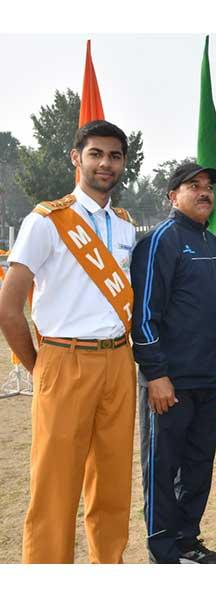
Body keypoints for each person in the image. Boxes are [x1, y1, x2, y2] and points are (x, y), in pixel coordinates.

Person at [0, 120, 136, 563]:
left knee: (113, 484)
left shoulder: (126, 225)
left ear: (123, 164)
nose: (105, 163)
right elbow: (8, 305)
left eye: (115, 156)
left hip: (119, 360)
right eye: (96, 153)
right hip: (63, 359)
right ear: (77, 158)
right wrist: (40, 365)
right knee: (55, 487)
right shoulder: (47, 220)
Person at [131, 162, 216, 564]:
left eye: (208, 186)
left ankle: (188, 540)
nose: (204, 191)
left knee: (197, 466)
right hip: (169, 384)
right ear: (173, 196)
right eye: (194, 185)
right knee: (163, 467)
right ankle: (163, 549)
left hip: (208, 381)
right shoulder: (160, 241)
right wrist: (156, 375)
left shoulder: (212, 243)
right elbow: (143, 315)